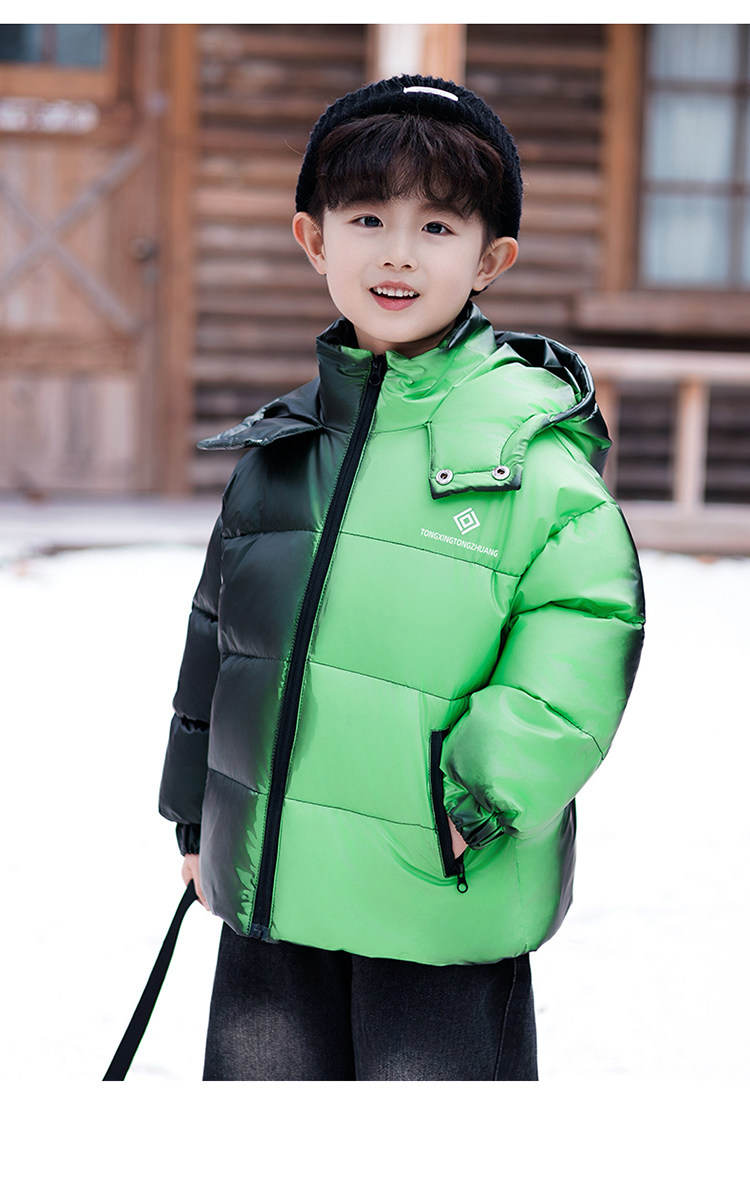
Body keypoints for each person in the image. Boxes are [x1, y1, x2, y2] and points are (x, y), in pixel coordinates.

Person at [158, 75, 645, 1081]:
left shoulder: (526, 449)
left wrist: (478, 794)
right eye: (368, 218)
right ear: (314, 239)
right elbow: (220, 640)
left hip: (436, 892)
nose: (397, 252)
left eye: (437, 226)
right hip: (274, 891)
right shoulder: (283, 453)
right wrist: (198, 814)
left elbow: (585, 620)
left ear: (490, 259)